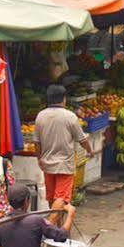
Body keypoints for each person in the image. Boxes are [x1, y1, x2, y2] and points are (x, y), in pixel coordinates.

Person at [32, 84, 87, 214]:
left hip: (47, 163)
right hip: (64, 165)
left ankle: (56, 228)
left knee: (52, 199)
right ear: (64, 99)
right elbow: (82, 140)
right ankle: (53, 227)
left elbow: (36, 142)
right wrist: (89, 151)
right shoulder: (70, 116)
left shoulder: (40, 116)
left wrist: (39, 158)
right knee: (61, 199)